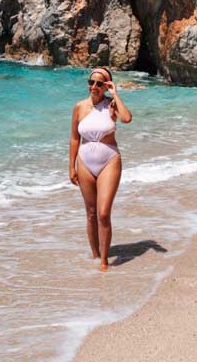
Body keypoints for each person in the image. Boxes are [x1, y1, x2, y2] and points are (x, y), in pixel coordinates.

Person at [69, 66, 132, 271]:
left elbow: (126, 118)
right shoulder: (79, 107)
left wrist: (115, 94)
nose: (94, 86)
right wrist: (71, 166)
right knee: (91, 213)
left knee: (103, 213)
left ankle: (105, 261)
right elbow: (74, 138)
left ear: (106, 86)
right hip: (84, 162)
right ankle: (95, 255)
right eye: (91, 82)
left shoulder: (111, 105)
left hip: (109, 161)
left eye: (99, 83)